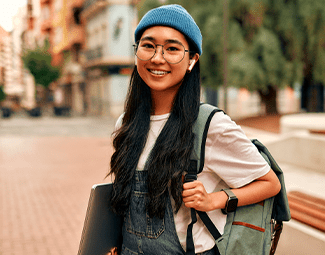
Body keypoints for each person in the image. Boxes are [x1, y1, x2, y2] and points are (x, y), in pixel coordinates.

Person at [108, 4, 281, 255]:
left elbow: (270, 183)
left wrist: (213, 200)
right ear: (137, 54)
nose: (158, 58)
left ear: (192, 60)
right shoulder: (126, 122)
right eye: (148, 45)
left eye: (172, 49)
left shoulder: (209, 125)